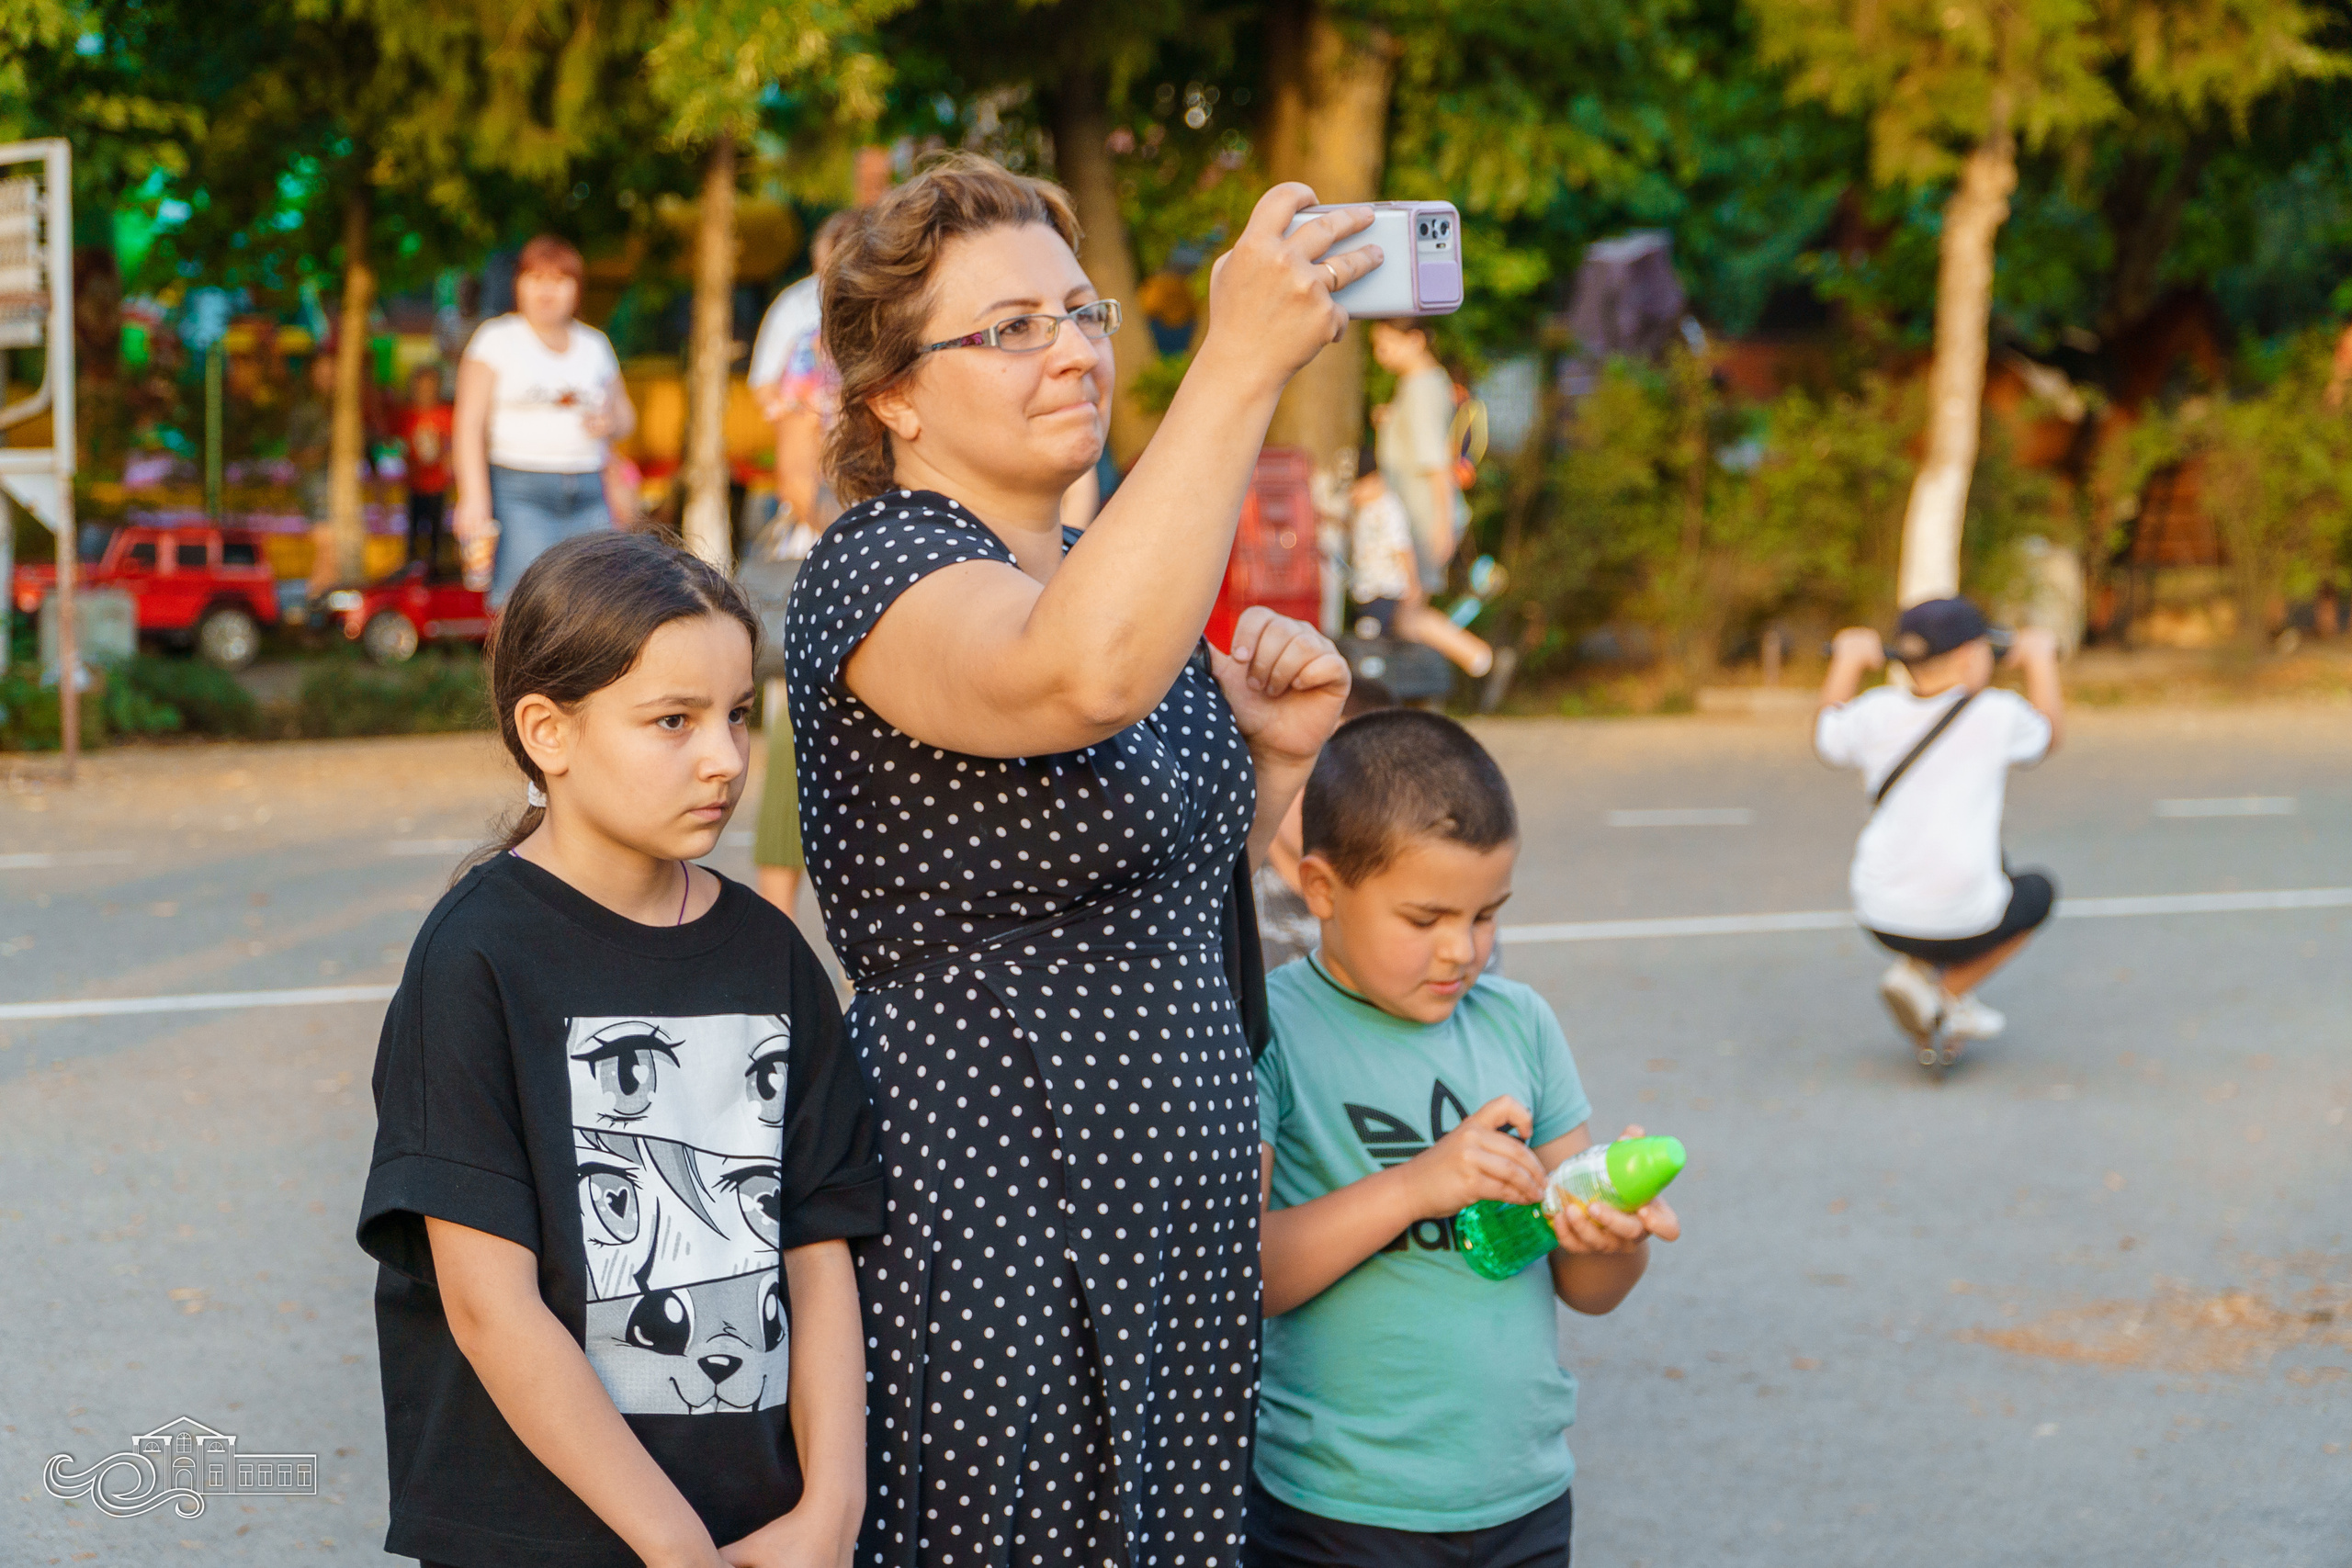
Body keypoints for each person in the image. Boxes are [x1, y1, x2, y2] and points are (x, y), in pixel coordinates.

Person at [783, 152, 1375, 1568]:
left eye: (1082, 310)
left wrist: (1276, 759)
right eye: (1011, 329)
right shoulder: (880, 566)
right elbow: (1077, 679)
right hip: (999, 1194)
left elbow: (1129, 876)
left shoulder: (1109, 563)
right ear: (897, 397)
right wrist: (1237, 363)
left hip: (1170, 1206)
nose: (1072, 349)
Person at [356, 530, 883, 1568]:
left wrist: (829, 1510)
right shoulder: (476, 957)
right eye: (673, 721)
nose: (725, 758)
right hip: (540, 1537)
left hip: (763, 1525)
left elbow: (817, 1251)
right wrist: (672, 1548)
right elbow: (487, 1303)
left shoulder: (772, 956)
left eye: (738, 715)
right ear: (548, 730)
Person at [1250, 710, 1679, 1568]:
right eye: (1425, 917)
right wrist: (1417, 1185)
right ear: (1322, 889)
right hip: (1337, 1505)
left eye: (1488, 914)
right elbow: (1245, 1274)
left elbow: (1586, 1288)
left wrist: (1613, 1235)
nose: (1463, 950)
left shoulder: (1521, 1025)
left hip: (1519, 1491)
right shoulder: (1271, 1029)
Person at [1816, 597, 2065, 1062]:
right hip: (1963, 921)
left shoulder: (1874, 712)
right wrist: (2040, 661)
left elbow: (1827, 734)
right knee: (2036, 892)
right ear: (1971, 656)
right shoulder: (1996, 714)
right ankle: (1947, 992)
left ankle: (1917, 972)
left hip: (1880, 916)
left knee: (1993, 865)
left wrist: (1848, 662)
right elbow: (2049, 733)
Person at [745, 211, 858, 919]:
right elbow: (794, 476)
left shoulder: (907, 341)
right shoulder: (807, 346)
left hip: (883, 561)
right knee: (793, 763)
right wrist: (863, 537)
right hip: (822, 565)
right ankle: (778, 942)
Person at [453, 234, 637, 608]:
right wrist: (473, 496)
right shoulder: (496, 339)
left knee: (598, 603)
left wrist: (609, 423)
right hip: (519, 490)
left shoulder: (595, 345)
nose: (546, 291)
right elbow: (468, 423)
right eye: (536, 278)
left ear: (577, 289)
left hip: (588, 490)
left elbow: (626, 418)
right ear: (518, 285)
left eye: (559, 280)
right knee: (524, 605)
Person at [1345, 446, 1493, 677]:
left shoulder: (1388, 508)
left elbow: (1402, 547)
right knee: (1401, 630)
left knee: (1379, 634)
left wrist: (1411, 582)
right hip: (1368, 588)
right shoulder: (1366, 511)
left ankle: (1474, 655)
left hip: (1385, 587)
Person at [1371, 320, 1464, 594]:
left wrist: (1443, 525)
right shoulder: (1424, 381)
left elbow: (1436, 462)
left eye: (1385, 345)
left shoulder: (1420, 388)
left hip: (1422, 518)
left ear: (1415, 340)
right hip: (1415, 515)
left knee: (1409, 615)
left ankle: (1482, 642)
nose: (1379, 353)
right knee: (1408, 616)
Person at [399, 365, 455, 572]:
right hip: (414, 484)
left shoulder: (446, 414)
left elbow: (453, 444)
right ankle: (411, 572)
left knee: (436, 535)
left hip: (438, 485)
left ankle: (435, 572)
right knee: (412, 534)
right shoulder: (407, 415)